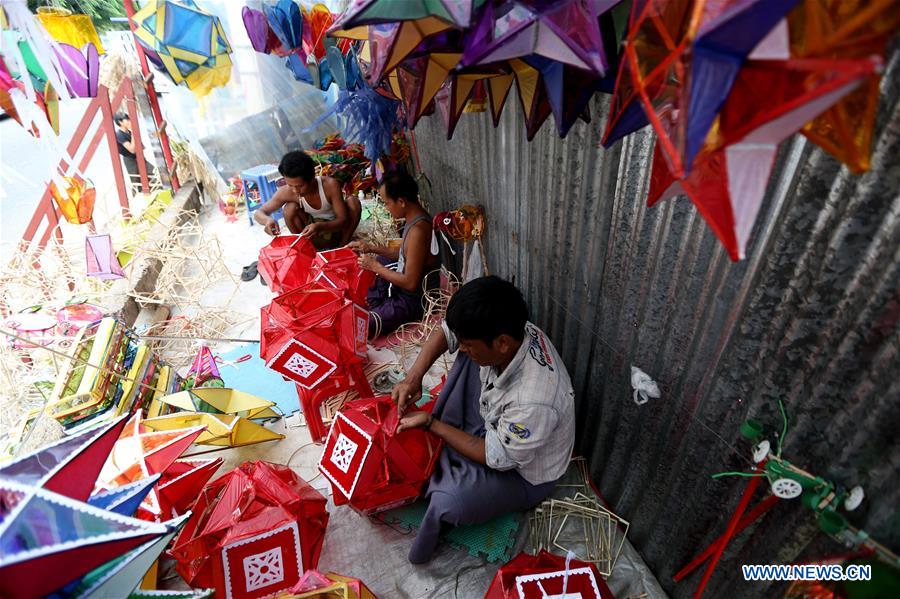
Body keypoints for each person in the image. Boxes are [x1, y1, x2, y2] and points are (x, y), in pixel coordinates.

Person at [392, 276, 576, 564]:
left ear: (502, 343)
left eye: (468, 343)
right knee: (468, 358)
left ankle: (444, 456)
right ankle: (449, 444)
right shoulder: (508, 332)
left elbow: (495, 457)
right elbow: (448, 333)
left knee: (450, 501)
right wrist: (413, 377)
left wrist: (432, 424)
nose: (461, 347)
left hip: (525, 475)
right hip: (499, 416)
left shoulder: (534, 400)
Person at [348, 171, 439, 339]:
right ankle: (378, 301)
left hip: (416, 299)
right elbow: (405, 253)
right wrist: (370, 248)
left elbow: (410, 283)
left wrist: (374, 266)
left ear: (401, 202)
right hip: (405, 286)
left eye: (387, 203)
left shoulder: (418, 230)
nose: (386, 208)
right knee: (382, 259)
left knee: (362, 327)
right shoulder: (414, 219)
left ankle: (380, 305)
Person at [254, 150, 361, 249]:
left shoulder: (330, 185)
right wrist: (267, 220)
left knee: (353, 202)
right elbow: (259, 213)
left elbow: (343, 220)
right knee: (289, 209)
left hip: (335, 230)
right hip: (311, 234)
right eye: (290, 185)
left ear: (312, 178)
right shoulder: (287, 191)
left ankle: (342, 247)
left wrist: (320, 226)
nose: (295, 190)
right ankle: (305, 247)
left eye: (300, 186)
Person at [114, 112, 152, 179]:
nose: (129, 121)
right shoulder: (119, 135)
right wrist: (133, 132)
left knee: (153, 174)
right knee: (137, 181)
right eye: (127, 120)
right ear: (120, 122)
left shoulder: (129, 132)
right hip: (130, 160)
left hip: (139, 157)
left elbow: (141, 147)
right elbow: (132, 149)